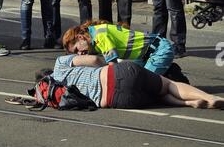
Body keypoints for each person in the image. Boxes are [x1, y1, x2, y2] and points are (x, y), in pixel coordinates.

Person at [53, 54, 224, 110]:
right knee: (167, 85)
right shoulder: (59, 64)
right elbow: (94, 60)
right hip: (118, 73)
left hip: (116, 100)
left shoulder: (56, 96)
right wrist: (105, 64)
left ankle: (191, 103)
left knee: (158, 97)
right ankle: (209, 97)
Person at [62, 20, 174, 75]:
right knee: (133, 77)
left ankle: (173, 79)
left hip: (159, 50)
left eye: (77, 49)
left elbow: (113, 67)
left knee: (144, 85)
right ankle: (168, 74)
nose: (80, 54)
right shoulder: (93, 37)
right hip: (147, 55)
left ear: (80, 37)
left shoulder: (99, 36)